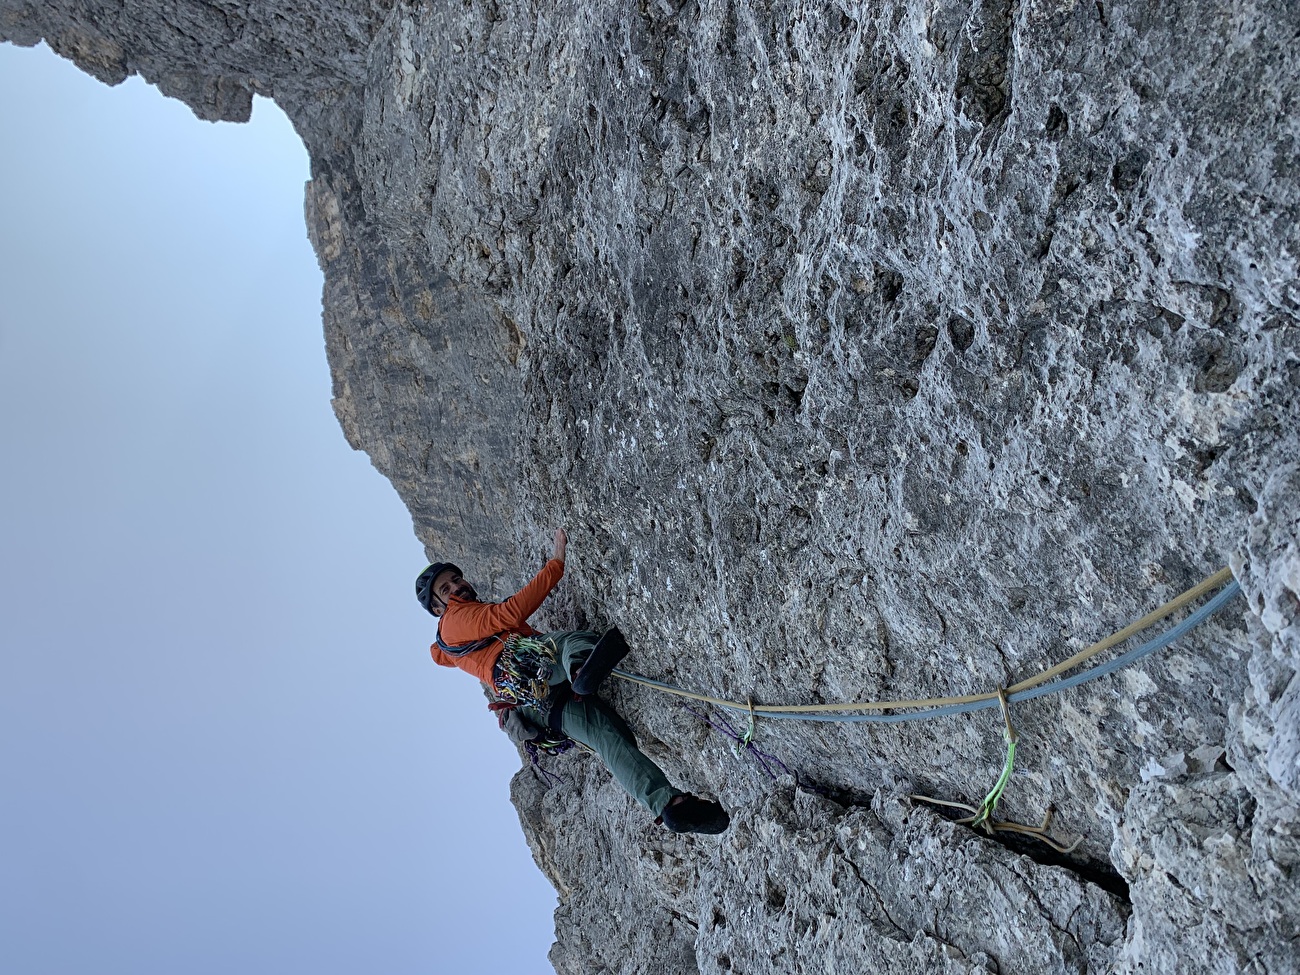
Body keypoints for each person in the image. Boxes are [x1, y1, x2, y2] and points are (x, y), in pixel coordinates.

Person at [415, 528, 730, 834]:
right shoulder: (455, 620)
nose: (456, 587)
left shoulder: (452, 642)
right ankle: (580, 672)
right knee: (568, 644)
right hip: (527, 668)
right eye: (445, 589)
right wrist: (557, 561)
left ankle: (668, 805)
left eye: (456, 579)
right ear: (437, 608)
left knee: (609, 738)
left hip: (537, 703)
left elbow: (488, 632)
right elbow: (508, 614)